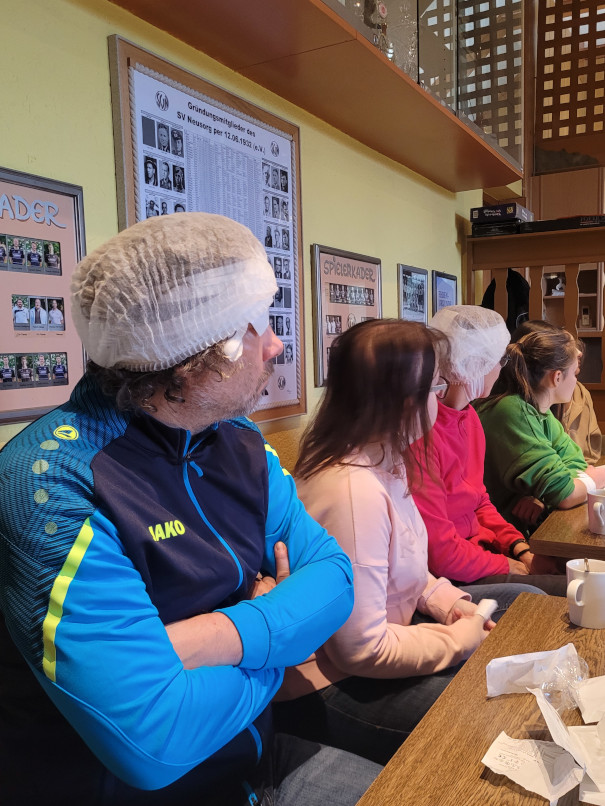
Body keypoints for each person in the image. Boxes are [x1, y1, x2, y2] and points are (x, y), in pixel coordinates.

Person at [0, 213, 380, 806]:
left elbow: (335, 578)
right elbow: (156, 739)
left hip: (252, 759)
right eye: (256, 326)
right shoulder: (50, 483)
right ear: (195, 357)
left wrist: (215, 638)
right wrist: (281, 639)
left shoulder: (238, 441)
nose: (275, 345)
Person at [273, 319, 542, 765]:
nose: (441, 400)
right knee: (490, 711)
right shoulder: (353, 491)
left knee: (525, 607)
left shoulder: (384, 460)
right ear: (402, 404)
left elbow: (407, 564)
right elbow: (360, 649)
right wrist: (456, 640)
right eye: (435, 389)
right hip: (330, 681)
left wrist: (449, 604)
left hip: (380, 639)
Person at [410, 306, 566, 596]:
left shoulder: (470, 417)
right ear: (474, 364)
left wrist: (520, 549)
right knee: (571, 592)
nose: (501, 368)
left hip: (480, 553)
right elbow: (442, 555)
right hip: (450, 579)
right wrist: (505, 564)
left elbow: (479, 500)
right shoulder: (422, 436)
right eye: (499, 360)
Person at [476, 325, 605, 536]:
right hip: (495, 537)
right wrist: (599, 475)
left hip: (519, 532)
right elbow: (566, 494)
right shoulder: (512, 410)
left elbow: (576, 466)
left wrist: (552, 494)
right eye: (575, 373)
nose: (576, 382)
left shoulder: (540, 413)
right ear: (556, 377)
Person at [503, 320, 602, 466]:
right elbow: (549, 475)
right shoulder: (515, 411)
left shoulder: (571, 398)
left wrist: (584, 473)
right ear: (556, 377)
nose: (579, 353)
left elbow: (579, 460)